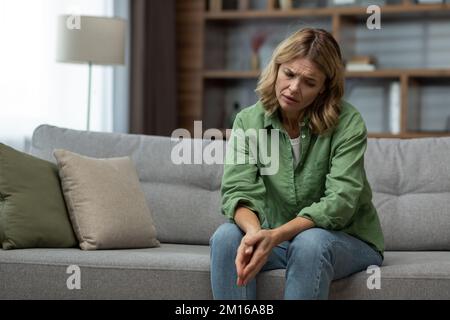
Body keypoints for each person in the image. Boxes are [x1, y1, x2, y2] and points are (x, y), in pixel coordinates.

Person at [209, 27, 384, 300]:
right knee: (226, 238)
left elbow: (341, 201)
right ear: (277, 67)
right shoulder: (248, 121)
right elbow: (238, 191)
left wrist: (275, 235)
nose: (293, 88)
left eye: (309, 82)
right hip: (280, 240)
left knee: (310, 242)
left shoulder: (348, 123)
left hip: (346, 238)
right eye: (289, 74)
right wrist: (257, 235)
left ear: (324, 88)